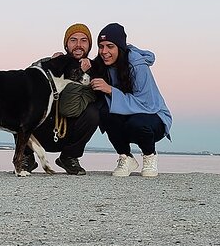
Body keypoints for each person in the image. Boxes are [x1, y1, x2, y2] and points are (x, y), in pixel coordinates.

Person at [90, 23, 172, 177]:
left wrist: (111, 90)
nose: (104, 52)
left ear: (120, 47)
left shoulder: (137, 64)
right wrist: (61, 59)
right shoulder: (102, 63)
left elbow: (147, 105)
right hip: (128, 117)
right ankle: (126, 157)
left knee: (137, 122)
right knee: (104, 111)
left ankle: (149, 156)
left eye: (110, 46)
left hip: (153, 118)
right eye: (101, 46)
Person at [23, 23, 100, 175]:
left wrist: (79, 73)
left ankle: (69, 157)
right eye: (73, 40)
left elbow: (70, 109)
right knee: (22, 102)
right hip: (40, 129)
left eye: (84, 40)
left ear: (90, 45)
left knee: (93, 113)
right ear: (66, 44)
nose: (78, 45)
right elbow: (26, 80)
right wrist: (50, 67)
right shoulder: (49, 61)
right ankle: (25, 156)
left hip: (68, 131)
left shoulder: (94, 71)